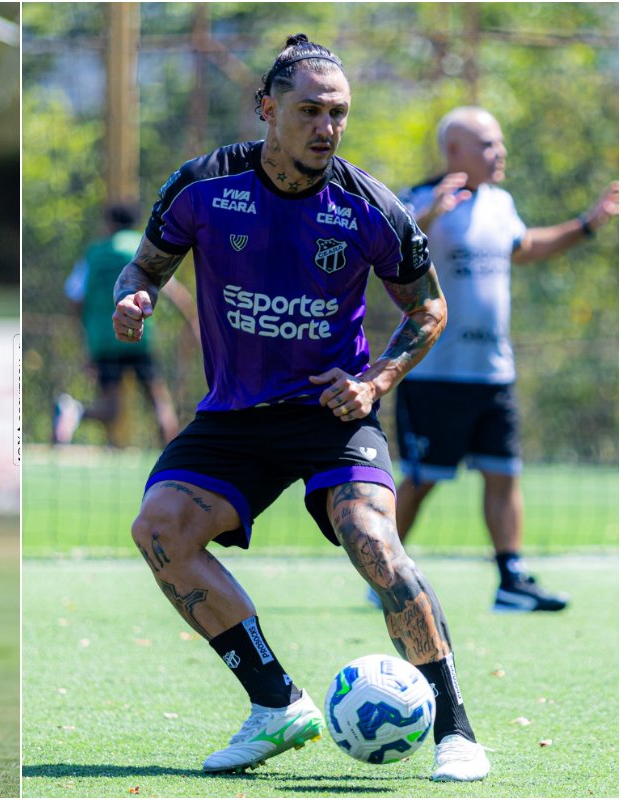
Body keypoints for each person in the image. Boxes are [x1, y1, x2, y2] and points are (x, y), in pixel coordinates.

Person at [112, 34, 489, 781]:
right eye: (310, 110)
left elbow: (428, 310)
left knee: (373, 542)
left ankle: (456, 729)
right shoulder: (202, 185)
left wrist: (376, 382)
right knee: (160, 531)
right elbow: (146, 263)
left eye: (338, 114)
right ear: (267, 110)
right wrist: (137, 294)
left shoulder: (367, 205)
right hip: (234, 417)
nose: (326, 127)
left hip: (332, 414)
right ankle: (276, 702)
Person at [390, 106, 618, 612]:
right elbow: (392, 250)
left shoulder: (501, 203)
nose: (500, 153)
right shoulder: (420, 201)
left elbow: (526, 245)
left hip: (493, 371)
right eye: (488, 144)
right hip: (434, 374)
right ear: (455, 152)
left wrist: (587, 224)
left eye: (499, 143)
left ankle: (511, 580)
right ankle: (383, 569)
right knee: (424, 478)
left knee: (504, 472)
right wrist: (429, 216)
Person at [54, 203, 197, 447]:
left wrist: (87, 331)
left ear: (108, 224)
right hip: (138, 337)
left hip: (104, 338)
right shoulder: (141, 248)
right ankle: (172, 462)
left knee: (110, 409)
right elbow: (174, 291)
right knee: (160, 403)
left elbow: (74, 296)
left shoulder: (94, 254)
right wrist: (193, 320)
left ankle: (75, 411)